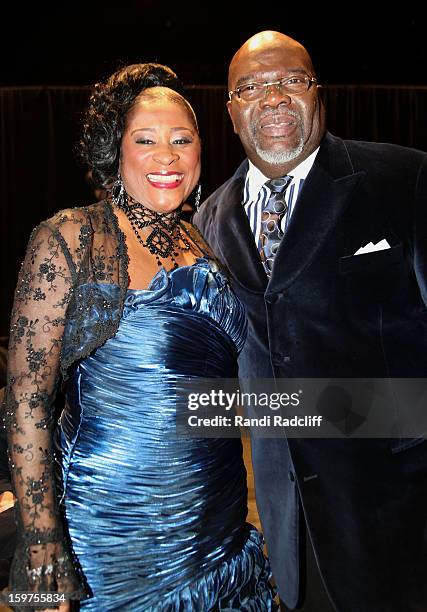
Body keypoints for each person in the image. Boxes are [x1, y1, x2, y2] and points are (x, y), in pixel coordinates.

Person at [3, 62, 277, 611]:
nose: (168, 156)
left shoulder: (209, 241)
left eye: (182, 139)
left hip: (215, 522)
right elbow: (27, 401)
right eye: (145, 140)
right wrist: (39, 542)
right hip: (112, 535)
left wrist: (374, 412)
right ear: (116, 151)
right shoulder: (72, 239)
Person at [193, 31, 427, 612]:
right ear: (231, 109)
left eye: (290, 80)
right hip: (285, 527)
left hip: (402, 520)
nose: (272, 97)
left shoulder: (405, 179)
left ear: (318, 92)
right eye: (251, 87)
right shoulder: (206, 221)